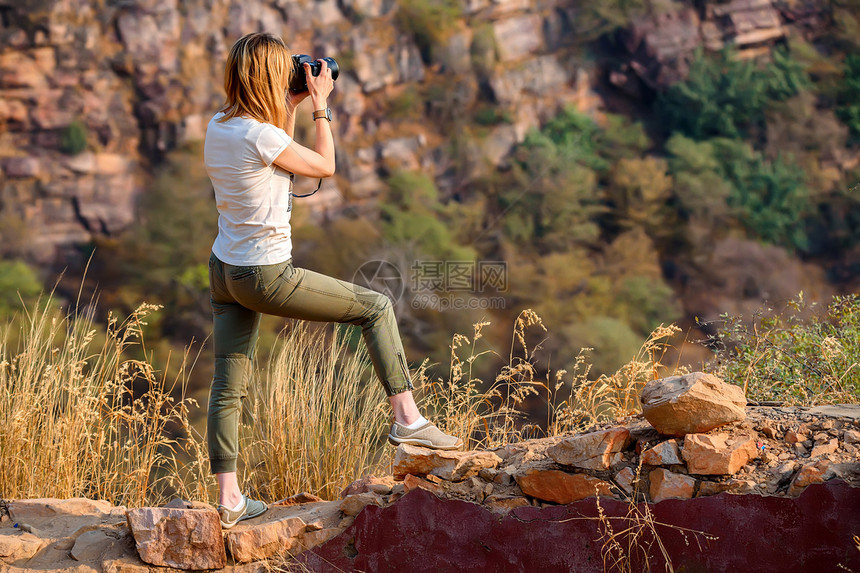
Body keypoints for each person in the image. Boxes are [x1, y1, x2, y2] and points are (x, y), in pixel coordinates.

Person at [203, 32, 462, 529]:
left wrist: (291, 103)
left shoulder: (220, 125)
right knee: (376, 307)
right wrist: (320, 105)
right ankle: (408, 422)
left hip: (224, 271)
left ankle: (230, 500)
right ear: (267, 76)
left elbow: (275, 145)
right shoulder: (262, 135)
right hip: (266, 274)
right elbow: (324, 165)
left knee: (226, 386)